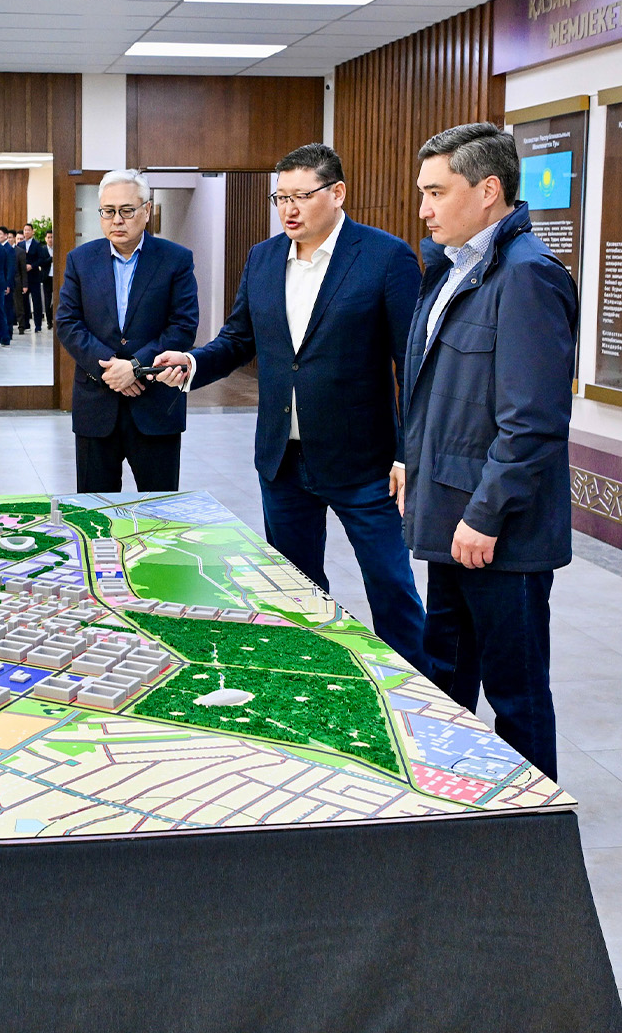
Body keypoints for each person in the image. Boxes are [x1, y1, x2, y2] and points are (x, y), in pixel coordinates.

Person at [151, 144, 428, 672]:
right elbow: (238, 338)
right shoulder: (263, 257)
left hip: (364, 463)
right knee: (296, 591)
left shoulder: (385, 257)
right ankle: (317, 677)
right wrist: (192, 361)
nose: (289, 209)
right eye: (280, 198)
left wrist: (407, 453)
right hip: (283, 460)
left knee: (391, 588)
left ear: (337, 193)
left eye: (301, 195)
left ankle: (417, 694)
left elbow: (410, 364)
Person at [398, 123, 577, 780]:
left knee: (515, 693)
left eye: (436, 192)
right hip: (452, 517)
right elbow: (442, 392)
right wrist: (410, 461)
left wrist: (485, 514)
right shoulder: (452, 269)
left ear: (488, 190)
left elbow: (532, 421)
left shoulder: (527, 277)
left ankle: (534, 825)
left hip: (496, 530)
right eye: (423, 193)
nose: (424, 208)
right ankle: (458, 804)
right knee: (445, 676)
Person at [57, 168, 197, 493]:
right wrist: (111, 370)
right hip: (96, 404)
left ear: (146, 210)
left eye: (127, 210)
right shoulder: (80, 260)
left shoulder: (175, 260)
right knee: (95, 510)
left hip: (155, 405)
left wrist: (136, 367)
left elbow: (183, 325)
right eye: (108, 211)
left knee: (158, 509)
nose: (117, 220)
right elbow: (68, 322)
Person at [19, 223, 51, 333]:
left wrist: (32, 266)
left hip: (34, 276)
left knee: (36, 301)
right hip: (24, 277)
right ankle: (25, 324)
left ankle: (38, 325)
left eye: (28, 230)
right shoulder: (20, 244)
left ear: (32, 232)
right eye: (25, 230)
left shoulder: (37, 245)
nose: (26, 232)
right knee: (24, 301)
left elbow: (41, 259)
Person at [41, 231, 56, 326]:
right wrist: (51, 259)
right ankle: (49, 321)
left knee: (57, 297)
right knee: (47, 299)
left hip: (56, 277)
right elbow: (41, 262)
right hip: (47, 277)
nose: (50, 239)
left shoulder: (57, 248)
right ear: (45, 239)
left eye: (52, 237)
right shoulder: (43, 249)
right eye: (48, 237)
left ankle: (55, 317)